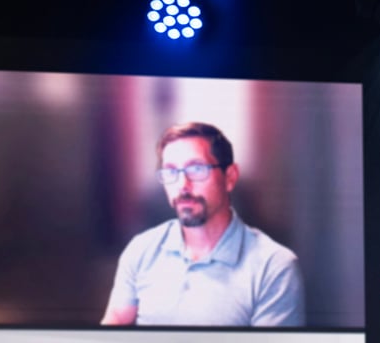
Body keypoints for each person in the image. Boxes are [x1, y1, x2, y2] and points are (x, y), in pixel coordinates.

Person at [101, 122, 305, 326]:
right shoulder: (141, 249)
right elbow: (116, 322)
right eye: (171, 171)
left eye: (197, 169)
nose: (182, 185)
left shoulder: (274, 266)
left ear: (230, 177)